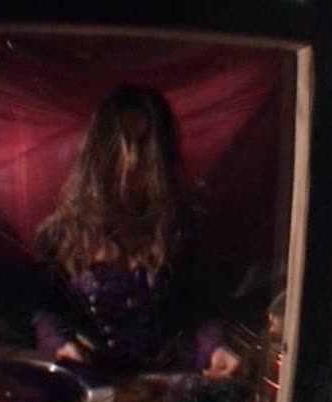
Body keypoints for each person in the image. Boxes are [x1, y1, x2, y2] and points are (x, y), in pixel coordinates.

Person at [31, 85, 239, 378]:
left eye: (144, 145)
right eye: (123, 144)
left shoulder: (183, 225)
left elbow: (201, 309)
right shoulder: (62, 232)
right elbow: (46, 310)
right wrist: (59, 345)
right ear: (100, 150)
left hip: (167, 384)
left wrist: (215, 348)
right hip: (89, 386)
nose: (133, 159)